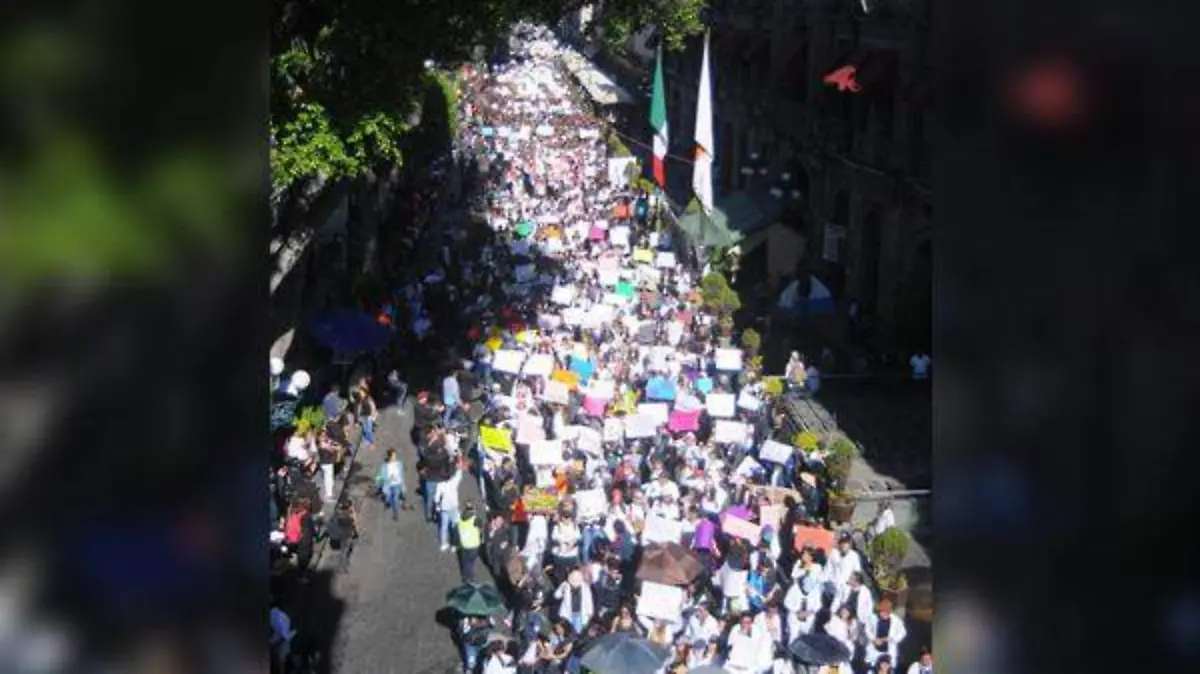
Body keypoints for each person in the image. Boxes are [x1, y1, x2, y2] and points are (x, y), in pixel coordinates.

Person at [864, 599, 908, 668]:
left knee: (888, 668)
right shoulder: (872, 618)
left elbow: (903, 632)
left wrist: (891, 639)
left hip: (888, 650)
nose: (884, 613)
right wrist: (873, 639)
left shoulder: (896, 620)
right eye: (882, 611)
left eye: (886, 612)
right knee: (872, 667)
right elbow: (867, 629)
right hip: (875, 649)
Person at [437, 464, 466, 552]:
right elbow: (459, 475)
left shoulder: (440, 485)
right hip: (454, 506)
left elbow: (436, 498)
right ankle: (454, 544)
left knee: (444, 526)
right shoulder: (454, 482)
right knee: (455, 526)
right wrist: (459, 468)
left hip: (444, 507)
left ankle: (443, 543)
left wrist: (437, 506)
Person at [326, 497, 359, 573]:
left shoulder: (337, 513)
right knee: (344, 552)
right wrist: (353, 513)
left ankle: (342, 565)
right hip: (346, 536)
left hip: (340, 535)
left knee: (343, 552)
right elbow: (353, 524)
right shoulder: (348, 516)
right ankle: (342, 567)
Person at [377, 447, 410, 519]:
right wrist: (387, 479)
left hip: (397, 484)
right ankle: (390, 503)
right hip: (388, 484)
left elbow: (401, 475)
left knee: (395, 498)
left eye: (395, 456)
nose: (394, 457)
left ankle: (396, 514)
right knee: (388, 498)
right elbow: (381, 476)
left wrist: (403, 485)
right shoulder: (385, 466)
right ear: (389, 456)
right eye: (393, 456)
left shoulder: (399, 464)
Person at [457, 502, 484, 584]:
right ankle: (471, 577)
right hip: (474, 544)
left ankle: (465, 578)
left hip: (464, 544)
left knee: (465, 562)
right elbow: (481, 527)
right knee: (471, 562)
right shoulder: (475, 519)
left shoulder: (460, 518)